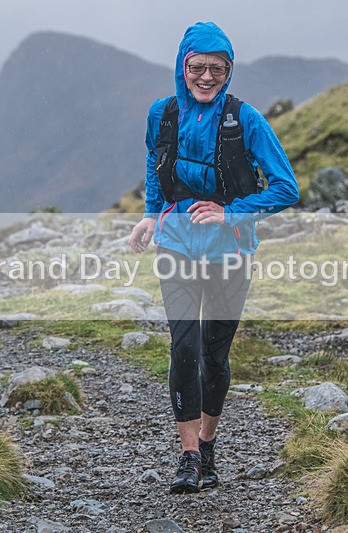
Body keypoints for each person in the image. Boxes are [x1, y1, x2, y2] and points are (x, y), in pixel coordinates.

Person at [127, 22, 299, 494]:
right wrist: (149, 216)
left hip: (231, 252)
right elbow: (153, 161)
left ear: (228, 71)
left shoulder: (247, 121)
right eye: (197, 67)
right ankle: (186, 458)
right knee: (182, 347)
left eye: (216, 69)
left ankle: (207, 445)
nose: (206, 77)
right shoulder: (161, 114)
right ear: (182, 67)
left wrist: (230, 213)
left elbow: (287, 188)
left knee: (213, 356)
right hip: (176, 246)